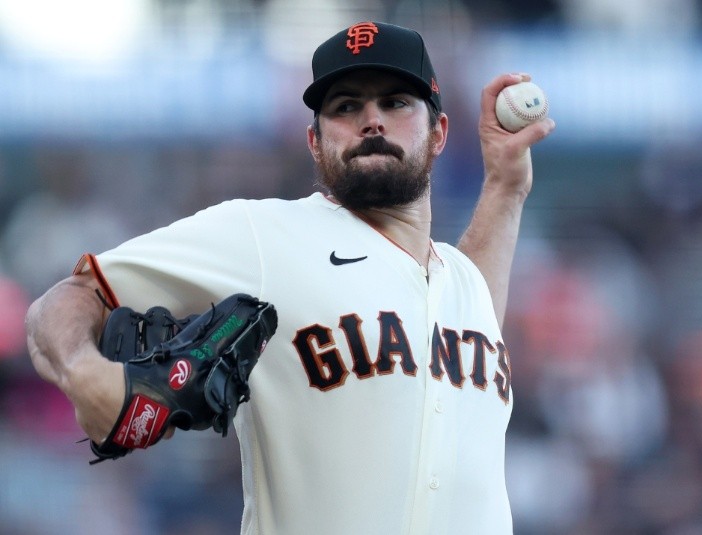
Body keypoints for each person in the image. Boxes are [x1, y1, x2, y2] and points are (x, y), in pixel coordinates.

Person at [25, 21, 555, 535]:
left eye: (395, 103)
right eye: (346, 107)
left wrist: (505, 190)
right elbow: (71, 297)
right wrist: (82, 370)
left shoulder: (460, 282)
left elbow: (472, 312)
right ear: (314, 142)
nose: (372, 121)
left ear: (439, 132)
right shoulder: (263, 235)